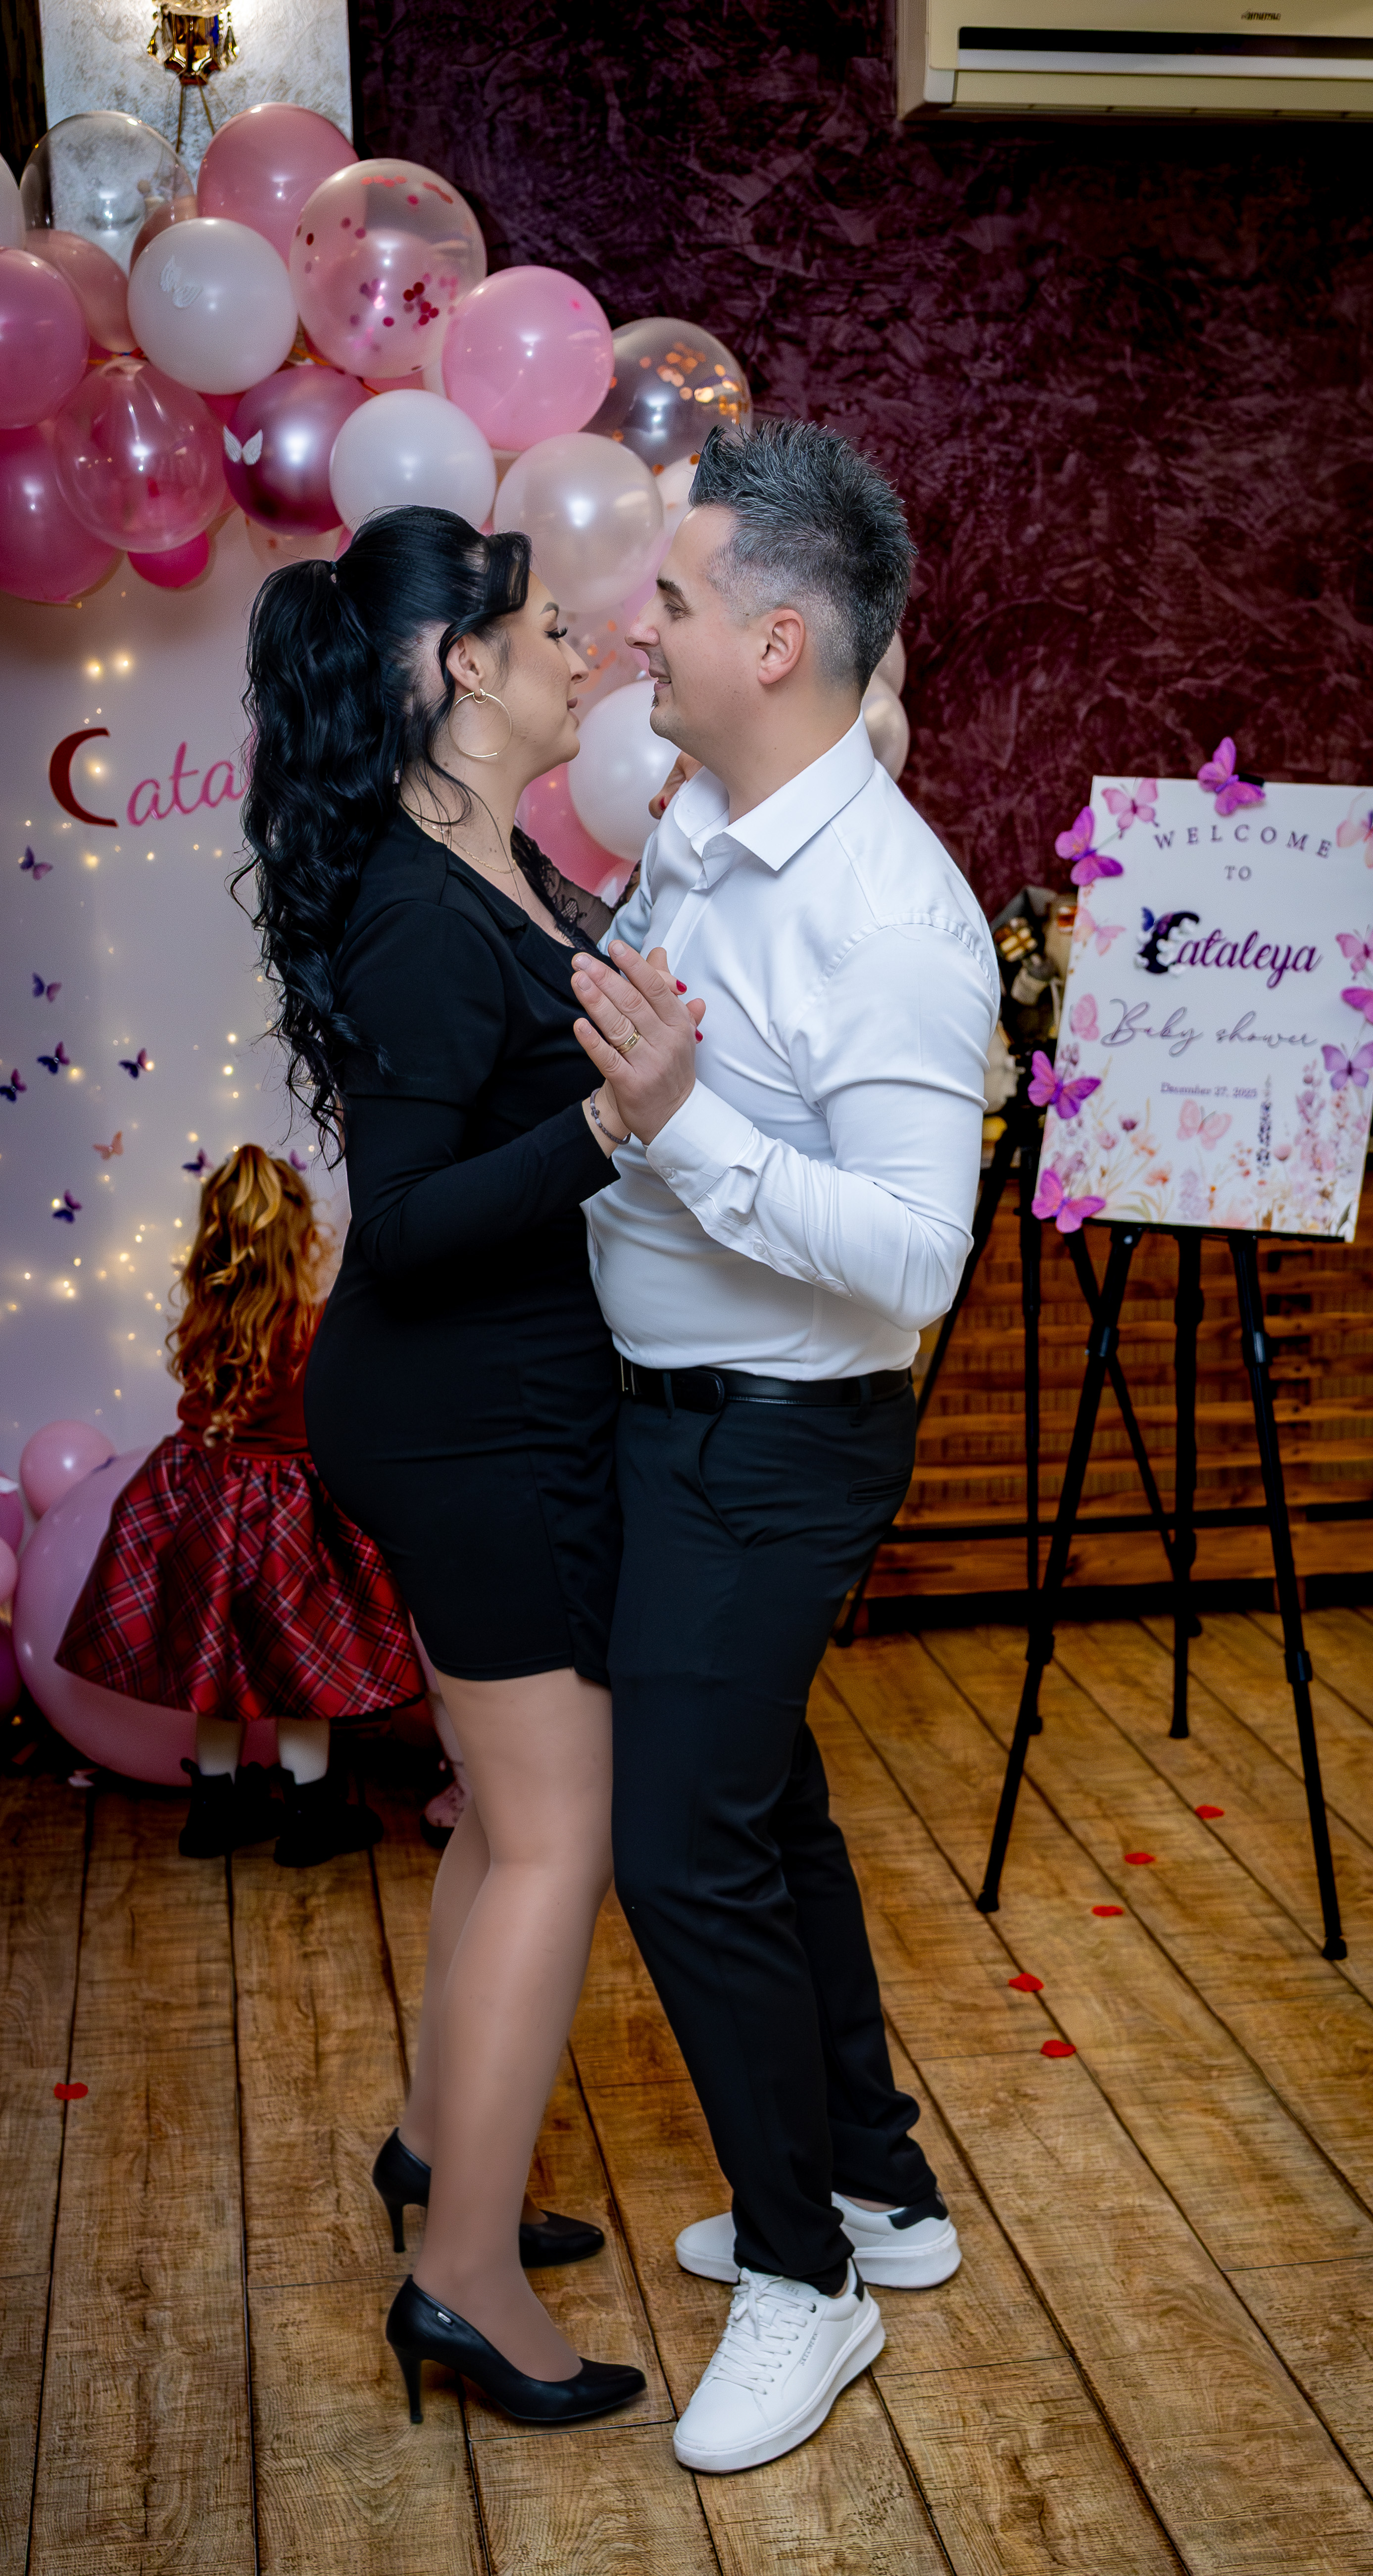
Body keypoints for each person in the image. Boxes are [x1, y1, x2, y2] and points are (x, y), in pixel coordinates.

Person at [570, 419, 998, 2475]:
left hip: (775, 1439)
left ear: (775, 640)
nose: (631, 630)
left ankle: (806, 2275)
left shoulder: (891, 916)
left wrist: (684, 1123)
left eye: (667, 598)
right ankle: (877, 2182)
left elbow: (916, 1257)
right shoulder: (706, 823)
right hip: (685, 1418)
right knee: (768, 1813)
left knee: (681, 1848)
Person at [239, 507, 676, 2431]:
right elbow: (405, 1225)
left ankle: (442, 2146)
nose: (589, 656)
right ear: (462, 667)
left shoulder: (491, 857)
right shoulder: (422, 909)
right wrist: (616, 1120)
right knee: (558, 1832)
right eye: (553, 631)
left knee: (509, 1818)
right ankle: (463, 2279)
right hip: (464, 1413)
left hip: (494, 1399)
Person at [57, 1144, 423, 1865]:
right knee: (299, 1676)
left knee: (215, 1673)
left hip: (200, 1509)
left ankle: (214, 1811)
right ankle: (312, 1816)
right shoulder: (316, 1324)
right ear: (299, 1237)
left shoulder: (206, 1315)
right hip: (287, 1526)